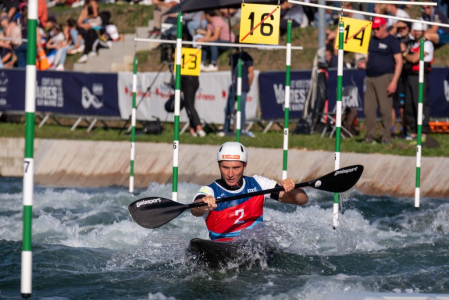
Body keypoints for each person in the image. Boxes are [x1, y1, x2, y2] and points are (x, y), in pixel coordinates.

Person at [191, 142, 309, 242]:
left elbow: (302, 200)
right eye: (225, 168)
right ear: (219, 166)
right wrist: (203, 204)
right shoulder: (209, 190)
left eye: (236, 168)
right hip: (222, 248)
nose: (230, 174)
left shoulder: (259, 184)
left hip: (254, 247)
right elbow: (195, 210)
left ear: (245, 166)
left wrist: (291, 189)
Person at [364, 17, 402, 144]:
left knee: (385, 110)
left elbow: (399, 62)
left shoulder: (392, 41)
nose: (375, 31)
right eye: (373, 28)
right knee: (368, 109)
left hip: (385, 77)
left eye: (377, 28)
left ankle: (386, 136)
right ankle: (370, 136)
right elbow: (369, 57)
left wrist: (394, 81)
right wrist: (364, 64)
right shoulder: (372, 41)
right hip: (370, 77)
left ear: (384, 26)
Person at [404, 22, 434, 143]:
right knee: (409, 104)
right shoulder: (411, 44)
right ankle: (413, 131)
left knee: (420, 103)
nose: (416, 33)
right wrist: (407, 55)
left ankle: (423, 131)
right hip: (410, 76)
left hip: (420, 76)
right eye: (415, 30)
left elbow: (415, 58)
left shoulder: (427, 44)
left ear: (423, 31)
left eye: (419, 30)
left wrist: (406, 55)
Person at [218, 46, 254, 137]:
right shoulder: (233, 56)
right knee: (228, 109)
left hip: (242, 88)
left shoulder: (247, 57)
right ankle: (226, 129)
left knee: (241, 110)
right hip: (233, 87)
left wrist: (248, 85)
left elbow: (251, 73)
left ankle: (240, 130)